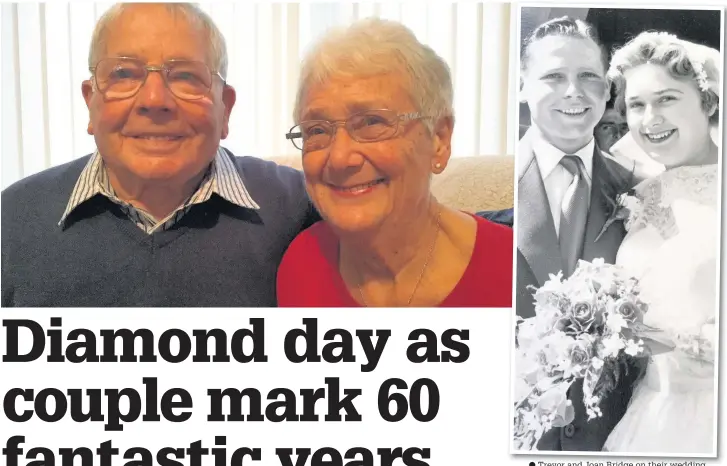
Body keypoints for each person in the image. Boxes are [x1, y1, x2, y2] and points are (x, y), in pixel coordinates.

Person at [1, 3, 317, 306]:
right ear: (90, 103)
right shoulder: (11, 220)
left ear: (226, 109)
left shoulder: (302, 206)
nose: (154, 99)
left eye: (186, 76)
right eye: (124, 74)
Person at [275, 18, 513, 307]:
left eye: (372, 122)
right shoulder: (303, 265)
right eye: (317, 130)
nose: (339, 158)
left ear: (438, 138)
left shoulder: (516, 270)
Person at [515, 17, 638, 451]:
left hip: (609, 438)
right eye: (553, 77)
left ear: (607, 92)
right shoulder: (487, 186)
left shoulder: (640, 191)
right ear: (523, 86)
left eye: (589, 77)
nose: (574, 91)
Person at [602, 32, 720, 454]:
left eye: (667, 99)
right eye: (636, 104)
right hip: (650, 412)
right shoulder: (639, 195)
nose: (649, 118)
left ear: (707, 103)